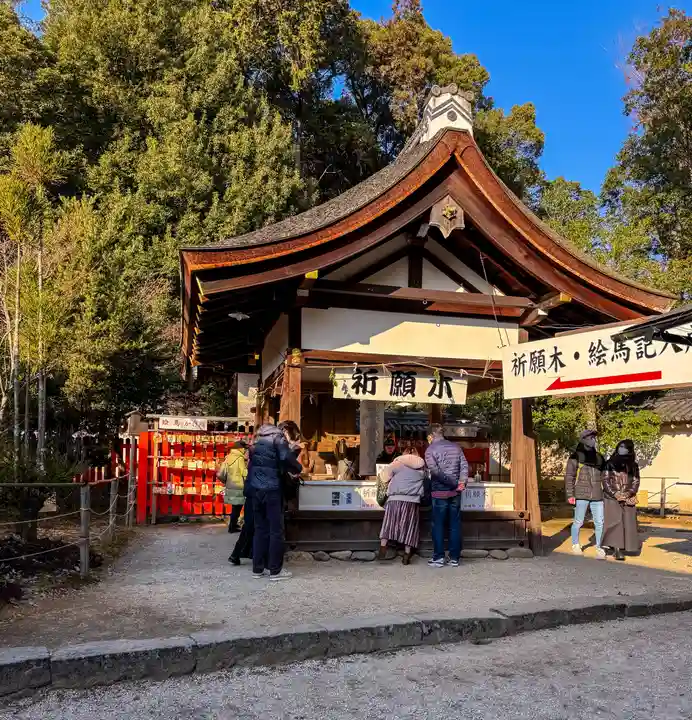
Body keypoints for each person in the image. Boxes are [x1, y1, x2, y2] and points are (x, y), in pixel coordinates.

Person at [247, 421, 302, 581]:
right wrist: (297, 468)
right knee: (276, 530)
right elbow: (285, 457)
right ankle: (275, 571)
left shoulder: (256, 439)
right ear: (282, 429)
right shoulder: (278, 437)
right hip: (272, 489)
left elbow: (253, 460)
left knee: (260, 529)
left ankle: (258, 568)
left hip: (256, 489)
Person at [424, 424, 468, 568]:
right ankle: (454, 558)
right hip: (455, 493)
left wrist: (452, 483)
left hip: (439, 493)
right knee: (454, 525)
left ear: (431, 435)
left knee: (438, 525)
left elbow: (435, 472)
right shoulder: (456, 447)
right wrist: (461, 482)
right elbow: (464, 466)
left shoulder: (430, 450)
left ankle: (439, 557)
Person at [378, 447, 426, 565]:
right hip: (412, 501)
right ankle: (406, 555)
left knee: (389, 524)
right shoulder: (422, 467)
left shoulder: (397, 464)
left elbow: (383, 477)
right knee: (409, 527)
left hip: (394, 499)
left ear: (403, 454)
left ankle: (383, 548)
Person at [565, 429, 607, 559]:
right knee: (578, 521)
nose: (593, 440)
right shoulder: (575, 457)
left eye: (594, 438)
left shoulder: (599, 457)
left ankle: (600, 547)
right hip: (581, 494)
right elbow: (569, 476)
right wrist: (570, 494)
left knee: (600, 522)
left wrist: (607, 493)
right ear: (583, 440)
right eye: (590, 438)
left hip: (597, 494)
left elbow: (605, 476)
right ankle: (575, 544)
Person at [602, 439, 641, 561]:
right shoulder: (609, 463)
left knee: (628, 522)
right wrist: (615, 493)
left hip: (628, 496)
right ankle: (617, 549)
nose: (621, 449)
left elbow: (636, 481)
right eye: (620, 446)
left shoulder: (634, 465)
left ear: (629, 450)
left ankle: (627, 546)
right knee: (615, 522)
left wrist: (629, 493)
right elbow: (605, 480)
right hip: (612, 497)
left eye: (624, 447)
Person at [218, 440, 247, 534]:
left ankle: (233, 525)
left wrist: (226, 482)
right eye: (244, 448)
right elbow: (244, 473)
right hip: (239, 486)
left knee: (235, 507)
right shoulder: (240, 459)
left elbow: (221, 474)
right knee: (238, 507)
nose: (245, 450)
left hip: (231, 485)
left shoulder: (228, 458)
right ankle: (232, 527)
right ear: (241, 449)